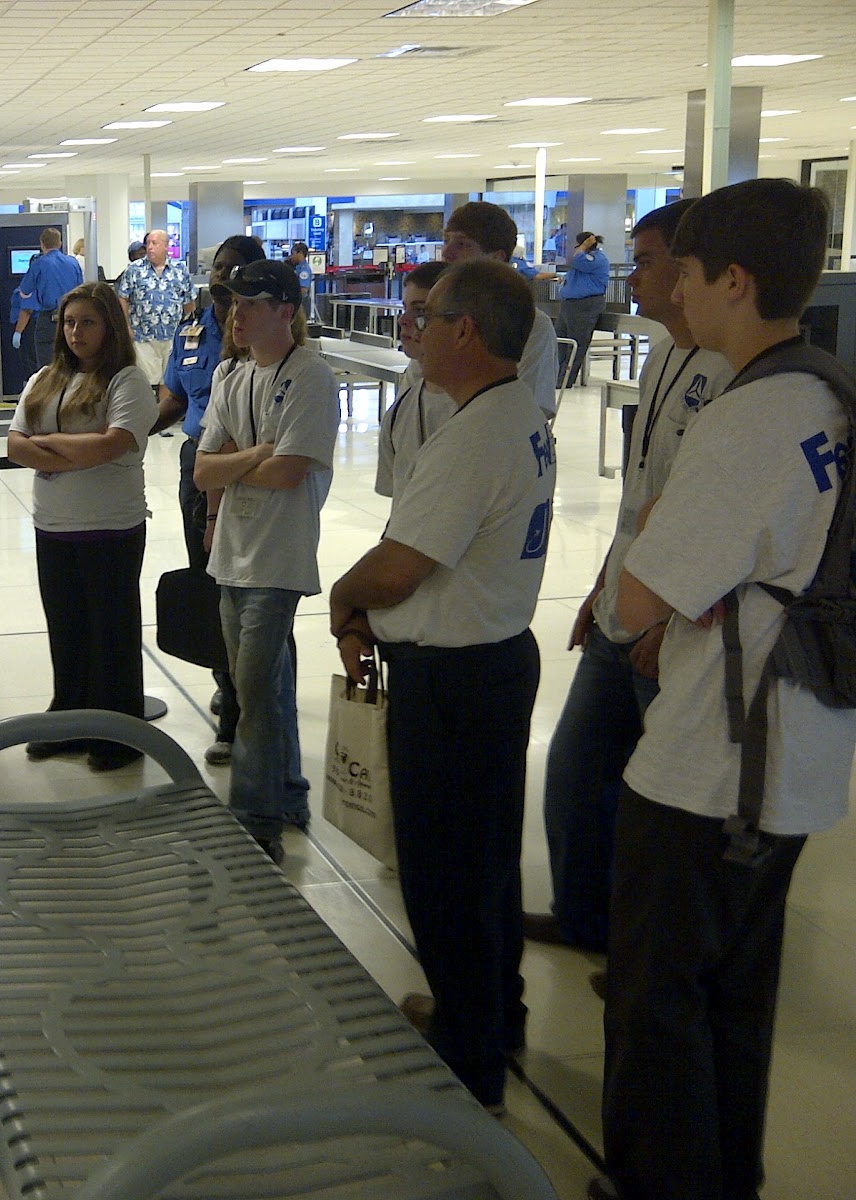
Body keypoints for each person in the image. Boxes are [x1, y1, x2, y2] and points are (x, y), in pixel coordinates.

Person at [595, 178, 856, 1200]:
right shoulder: (828, 389)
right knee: (735, 1000)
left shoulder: (748, 419)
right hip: (792, 755)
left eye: (688, 274)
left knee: (658, 1009)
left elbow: (632, 604)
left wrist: (662, 543)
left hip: (711, 770)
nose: (674, 294)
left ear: (733, 280)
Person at [330, 258, 556, 1113]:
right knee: (488, 864)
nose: (411, 332)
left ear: (466, 331)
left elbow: (400, 566)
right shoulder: (516, 416)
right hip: (494, 662)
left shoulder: (474, 438)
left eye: (426, 319)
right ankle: (492, 1015)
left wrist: (346, 599)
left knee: (446, 875)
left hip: (455, 681)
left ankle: (469, 1071)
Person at [526, 200, 733, 969]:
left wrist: (661, 618)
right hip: (624, 605)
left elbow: (704, 521)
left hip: (672, 630)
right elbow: (638, 501)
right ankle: (586, 919)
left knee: (661, 816)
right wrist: (602, 588)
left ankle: (651, 961)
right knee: (577, 778)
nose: (631, 276)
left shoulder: (728, 375)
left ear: (687, 274)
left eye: (644, 261)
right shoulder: (663, 356)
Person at [194, 259, 339, 862]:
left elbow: (288, 473)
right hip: (231, 552)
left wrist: (240, 460)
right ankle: (288, 794)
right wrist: (255, 452)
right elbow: (204, 470)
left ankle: (256, 819)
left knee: (252, 688)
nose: (236, 314)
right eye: (232, 304)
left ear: (286, 311)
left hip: (278, 557)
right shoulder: (230, 375)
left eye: (251, 303)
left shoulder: (310, 377)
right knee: (266, 685)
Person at [7, 282, 155, 772]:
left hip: (110, 529)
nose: (75, 332)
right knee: (67, 632)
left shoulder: (127, 381)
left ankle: (118, 734)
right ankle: (68, 721)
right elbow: (14, 445)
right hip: (54, 527)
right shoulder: (44, 379)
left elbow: (112, 445)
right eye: (69, 322)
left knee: (110, 635)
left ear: (110, 325)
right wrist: (73, 448)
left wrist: (48, 447)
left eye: (87, 322)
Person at [153, 234, 266, 764]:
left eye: (235, 267)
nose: (222, 275)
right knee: (208, 583)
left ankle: (259, 703)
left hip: (251, 470)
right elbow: (174, 397)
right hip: (198, 464)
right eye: (218, 266)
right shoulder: (193, 325)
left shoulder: (261, 331)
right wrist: (127, 439)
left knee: (255, 591)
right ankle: (229, 693)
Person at [441, 201, 562, 418]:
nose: (447, 253)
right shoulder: (440, 317)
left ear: (497, 258)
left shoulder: (531, 325)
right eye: (446, 241)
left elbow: (531, 409)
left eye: (462, 244)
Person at [374, 259, 456, 498]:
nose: (404, 321)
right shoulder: (408, 397)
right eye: (405, 308)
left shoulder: (479, 411)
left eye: (420, 311)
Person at [115, 228, 195, 386]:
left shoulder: (180, 270)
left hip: (173, 335)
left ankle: (164, 411)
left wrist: (190, 329)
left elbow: (189, 302)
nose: (150, 247)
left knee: (170, 382)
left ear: (166, 246)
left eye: (154, 243)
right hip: (143, 335)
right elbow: (123, 298)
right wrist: (126, 326)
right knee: (147, 381)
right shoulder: (134, 270)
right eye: (148, 243)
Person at [12, 227, 83, 369]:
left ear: (42, 243)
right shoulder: (73, 263)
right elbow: (81, 290)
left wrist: (18, 332)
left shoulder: (39, 264)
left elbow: (25, 291)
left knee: (47, 367)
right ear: (60, 243)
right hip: (71, 319)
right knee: (71, 362)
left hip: (48, 320)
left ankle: (51, 390)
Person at [556, 231, 610, 388]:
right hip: (569, 305)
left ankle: (566, 379)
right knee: (561, 341)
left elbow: (578, 260)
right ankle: (557, 375)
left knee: (575, 343)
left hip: (585, 305)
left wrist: (584, 246)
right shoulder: (583, 260)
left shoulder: (597, 259)